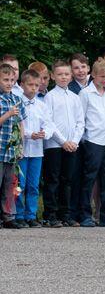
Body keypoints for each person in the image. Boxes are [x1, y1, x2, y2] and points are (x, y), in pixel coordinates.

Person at [79, 59, 105, 228]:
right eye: (101, 77)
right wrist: (83, 140)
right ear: (93, 76)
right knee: (89, 178)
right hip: (92, 140)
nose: (104, 80)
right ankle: (85, 215)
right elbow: (81, 118)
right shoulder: (85, 94)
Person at [42, 60, 85, 228]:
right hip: (54, 145)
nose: (63, 77)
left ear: (71, 75)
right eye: (59, 74)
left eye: (66, 74)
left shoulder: (75, 98)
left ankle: (65, 214)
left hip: (71, 145)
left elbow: (80, 122)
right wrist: (63, 141)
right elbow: (48, 122)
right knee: (53, 180)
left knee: (67, 180)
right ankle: (50, 215)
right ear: (53, 76)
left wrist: (74, 141)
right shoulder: (49, 97)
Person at [15, 69, 54, 228]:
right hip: (22, 151)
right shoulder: (17, 102)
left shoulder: (42, 105)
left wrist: (45, 133)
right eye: (30, 84)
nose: (33, 88)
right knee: (19, 184)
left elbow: (49, 124)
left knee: (33, 184)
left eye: (36, 85)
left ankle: (31, 215)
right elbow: (17, 127)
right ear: (22, 84)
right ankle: (18, 214)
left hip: (37, 151)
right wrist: (30, 134)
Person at [0, 63, 26, 229]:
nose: (9, 83)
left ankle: (8, 215)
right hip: (0, 148)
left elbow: (21, 123)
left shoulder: (17, 99)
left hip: (11, 151)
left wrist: (21, 145)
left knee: (10, 185)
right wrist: (8, 114)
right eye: (5, 80)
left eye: (11, 80)